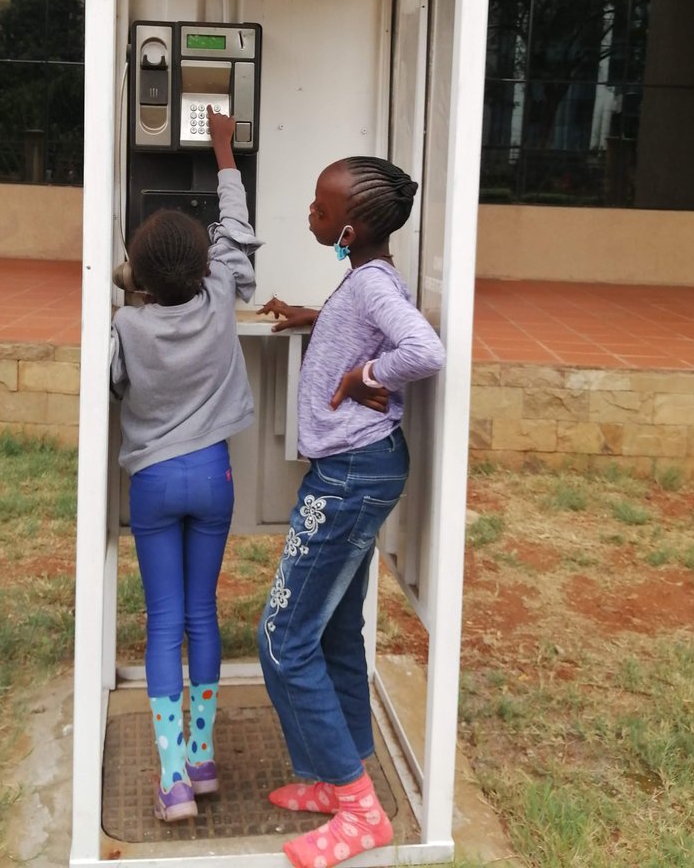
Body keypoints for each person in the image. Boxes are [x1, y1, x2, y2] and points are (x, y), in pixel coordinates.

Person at [255, 155, 445, 868]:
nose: (311, 213)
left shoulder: (371, 283)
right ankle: (338, 778)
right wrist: (317, 317)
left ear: (350, 229)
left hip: (349, 480)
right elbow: (364, 320)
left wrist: (367, 373)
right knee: (334, 630)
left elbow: (423, 349)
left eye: (321, 208)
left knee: (282, 639)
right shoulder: (366, 276)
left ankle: (361, 810)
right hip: (354, 473)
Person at [110, 106, 260, 823]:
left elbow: (112, 383)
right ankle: (203, 759)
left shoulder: (127, 324)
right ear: (204, 267)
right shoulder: (222, 292)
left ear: (137, 275)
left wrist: (128, 285)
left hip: (153, 482)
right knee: (204, 613)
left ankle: (172, 781)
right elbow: (236, 228)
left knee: (163, 620)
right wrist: (224, 149)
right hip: (213, 477)